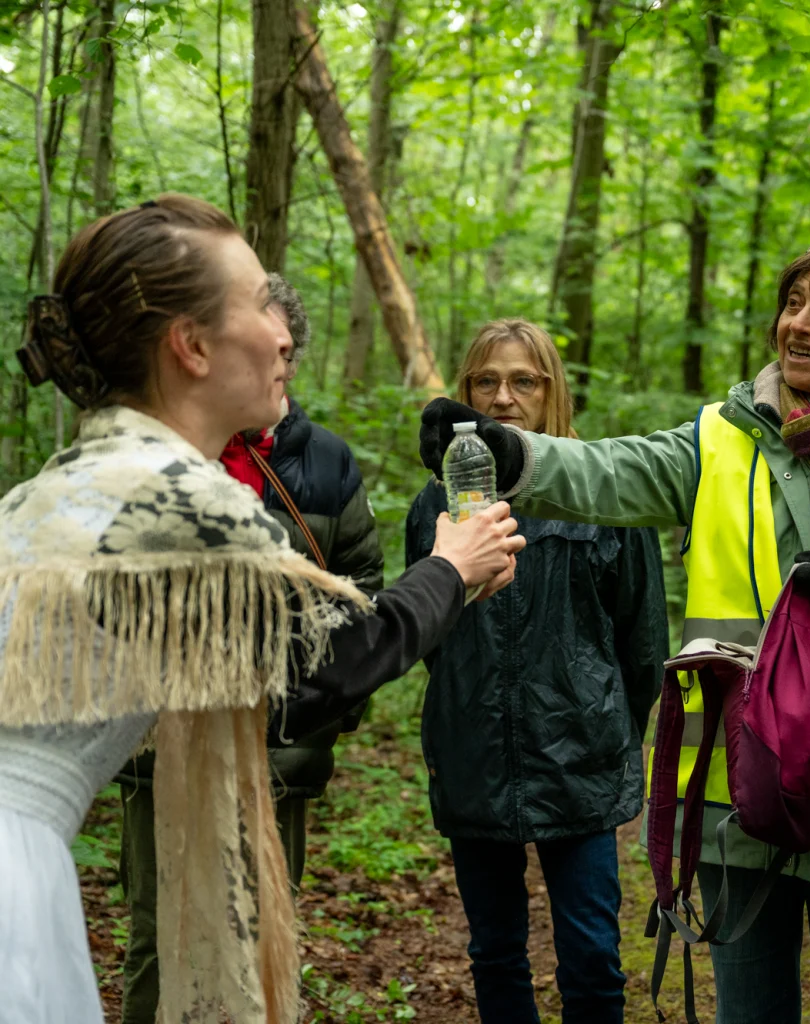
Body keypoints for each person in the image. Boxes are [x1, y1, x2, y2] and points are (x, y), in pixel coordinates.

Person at [419, 235, 810, 1024]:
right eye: (794, 304)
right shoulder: (719, 439)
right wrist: (507, 450)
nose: (800, 325)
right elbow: (607, 472)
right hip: (735, 799)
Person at [0, 194, 524, 1024]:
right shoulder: (173, 496)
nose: (284, 333)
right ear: (192, 346)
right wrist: (450, 570)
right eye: (254, 303)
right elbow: (321, 669)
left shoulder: (67, 485)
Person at [115, 273, 386, 1024]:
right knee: (156, 934)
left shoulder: (325, 461)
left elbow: (361, 589)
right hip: (161, 745)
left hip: (278, 746)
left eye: (283, 351)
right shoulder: (163, 449)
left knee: (265, 930)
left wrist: (325, 703)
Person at [406, 320, 669, 1024]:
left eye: (523, 380)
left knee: (590, 953)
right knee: (494, 952)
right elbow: (428, 630)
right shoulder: (437, 503)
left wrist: (610, 723)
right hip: (474, 750)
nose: (503, 398)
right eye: (486, 382)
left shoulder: (608, 492)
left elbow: (641, 639)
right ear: (465, 393)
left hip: (579, 749)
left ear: (553, 391)